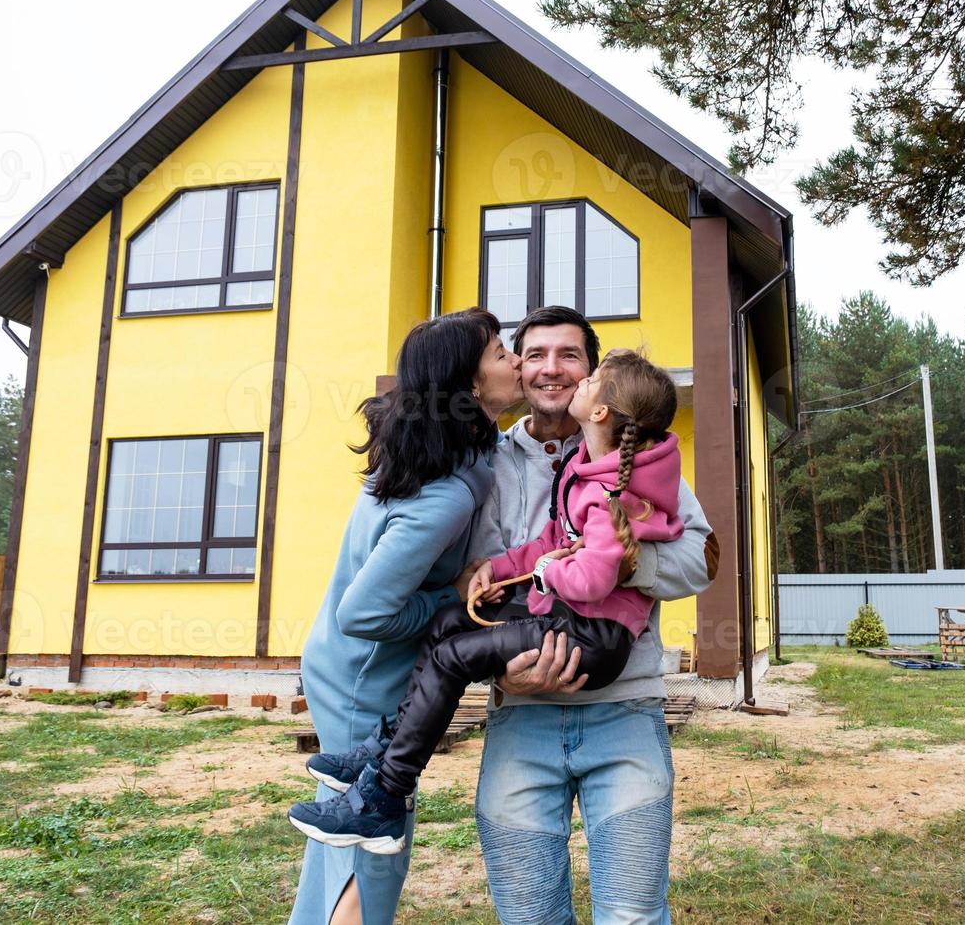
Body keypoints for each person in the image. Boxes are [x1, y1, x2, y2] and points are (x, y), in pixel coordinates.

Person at [288, 349, 686, 854]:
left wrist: (543, 572)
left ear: (603, 411)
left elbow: (589, 578)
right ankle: (384, 748)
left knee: (453, 657)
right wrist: (492, 570)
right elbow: (551, 542)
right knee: (450, 619)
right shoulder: (586, 467)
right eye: (525, 351)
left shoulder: (617, 491)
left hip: (593, 638)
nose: (568, 376)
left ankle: (386, 794)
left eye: (588, 375)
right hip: (565, 620)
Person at [467, 307, 716, 925]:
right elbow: (468, 579)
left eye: (570, 355)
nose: (551, 368)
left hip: (626, 712)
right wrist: (500, 675)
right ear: (518, 368)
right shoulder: (484, 464)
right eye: (535, 354)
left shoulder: (638, 456)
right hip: (519, 718)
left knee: (632, 916)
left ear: (590, 381)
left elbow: (702, 556)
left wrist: (609, 558)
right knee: (528, 917)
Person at [287, 307, 518, 925]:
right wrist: (458, 600)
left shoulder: (457, 452)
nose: (518, 360)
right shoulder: (443, 494)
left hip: (358, 666)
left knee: (357, 831)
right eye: (501, 352)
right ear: (469, 386)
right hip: (361, 678)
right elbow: (363, 612)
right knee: (373, 844)